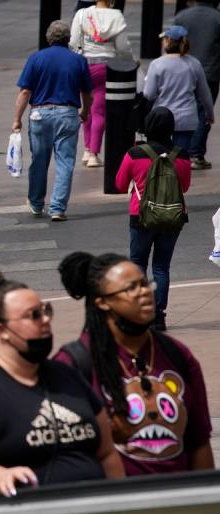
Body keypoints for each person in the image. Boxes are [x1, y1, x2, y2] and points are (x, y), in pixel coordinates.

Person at [0, 262, 124, 497]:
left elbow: (106, 453)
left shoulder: (67, 375)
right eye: (34, 315)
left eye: (46, 310)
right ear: (1, 331)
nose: (45, 320)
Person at [55, 252, 214, 476]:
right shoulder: (73, 364)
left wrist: (205, 504)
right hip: (114, 506)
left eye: (145, 284)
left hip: (179, 502)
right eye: (131, 288)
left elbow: (199, 440)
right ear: (102, 302)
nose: (145, 293)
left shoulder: (177, 354)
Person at [114, 107, 192, 330]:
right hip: (172, 216)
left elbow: (120, 185)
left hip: (141, 215)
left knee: (138, 263)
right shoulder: (182, 155)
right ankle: (158, 316)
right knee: (161, 267)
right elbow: (184, 186)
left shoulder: (134, 153)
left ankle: (139, 313)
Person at [12, 20, 93, 222]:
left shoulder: (36, 58)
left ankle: (37, 204)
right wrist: (85, 111)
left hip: (40, 113)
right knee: (65, 163)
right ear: (68, 39)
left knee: (39, 161)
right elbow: (87, 92)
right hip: (68, 113)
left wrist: (17, 119)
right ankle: (57, 208)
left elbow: (25, 91)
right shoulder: (78, 60)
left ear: (48, 38)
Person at [70, 0, 132, 168]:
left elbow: (74, 41)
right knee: (99, 110)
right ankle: (93, 154)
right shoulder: (116, 16)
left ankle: (86, 148)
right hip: (105, 66)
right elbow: (122, 47)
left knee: (86, 107)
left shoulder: (82, 14)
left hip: (84, 65)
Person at [143, 25, 215, 155]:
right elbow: (205, 94)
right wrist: (210, 114)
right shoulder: (194, 63)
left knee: (161, 156)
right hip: (186, 118)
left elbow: (149, 94)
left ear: (168, 41)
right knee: (180, 156)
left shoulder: (157, 64)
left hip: (161, 117)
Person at [176, 0, 220, 170]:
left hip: (184, 71)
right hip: (210, 71)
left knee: (186, 107)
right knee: (204, 113)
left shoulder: (182, 16)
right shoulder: (217, 18)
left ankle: (183, 149)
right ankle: (196, 153)